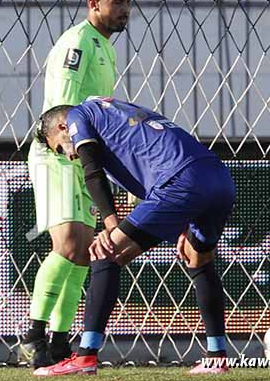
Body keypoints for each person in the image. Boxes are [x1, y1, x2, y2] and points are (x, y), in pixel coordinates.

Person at [32, 97, 233, 376]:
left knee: (104, 252)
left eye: (60, 146)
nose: (69, 155)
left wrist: (111, 225)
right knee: (197, 258)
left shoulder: (78, 115)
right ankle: (216, 356)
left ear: (63, 127)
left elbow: (93, 172)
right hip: (218, 177)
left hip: (180, 182)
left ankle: (85, 357)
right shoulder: (113, 109)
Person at [23, 0, 130, 368]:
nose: (124, 10)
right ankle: (33, 333)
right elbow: (62, 112)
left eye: (126, 3)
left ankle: (59, 340)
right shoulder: (77, 43)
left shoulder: (105, 47)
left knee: (84, 253)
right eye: (116, 2)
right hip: (60, 155)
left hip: (85, 155)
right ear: (93, 4)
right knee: (67, 244)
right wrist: (71, 150)